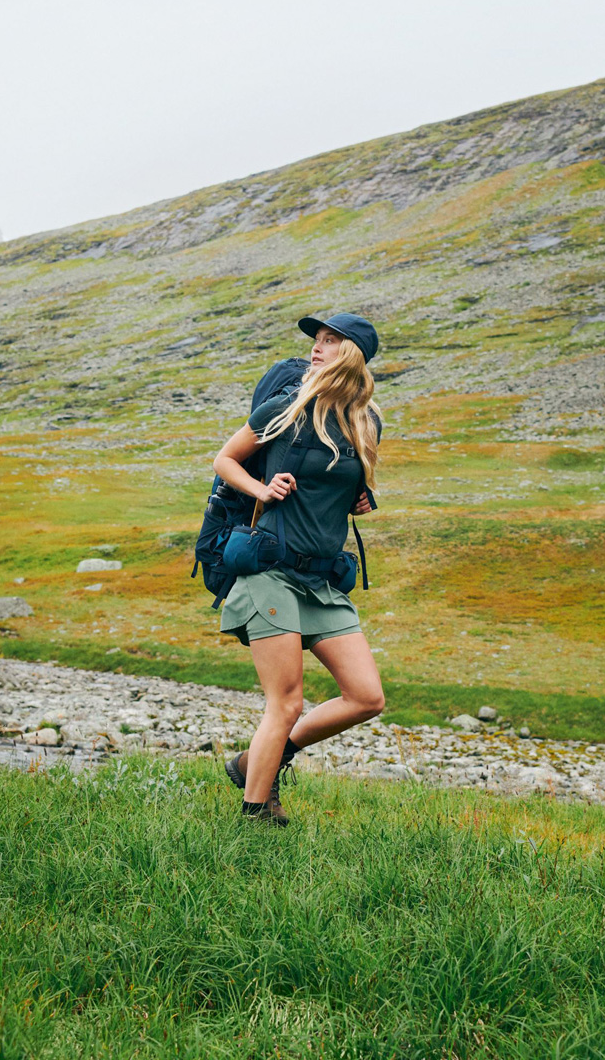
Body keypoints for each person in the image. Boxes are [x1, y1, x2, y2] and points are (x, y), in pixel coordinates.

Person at [212, 312, 385, 826]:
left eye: (331, 341)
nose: (317, 347)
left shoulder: (366, 421)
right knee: (286, 701)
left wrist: (359, 498)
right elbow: (225, 459)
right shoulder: (285, 408)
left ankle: (255, 762)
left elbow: (343, 480)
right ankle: (255, 815)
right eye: (317, 339)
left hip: (321, 578)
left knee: (367, 696)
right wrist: (261, 489)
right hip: (271, 571)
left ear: (352, 354)